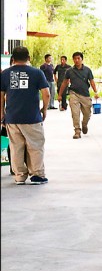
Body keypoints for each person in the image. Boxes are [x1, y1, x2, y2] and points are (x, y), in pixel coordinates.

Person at [0, 46, 50, 185]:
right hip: (32, 117)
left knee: (16, 148)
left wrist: (2, 114)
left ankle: (20, 176)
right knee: (35, 146)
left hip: (12, 118)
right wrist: (44, 109)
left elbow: (1, 96)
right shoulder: (37, 73)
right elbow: (46, 94)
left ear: (13, 59)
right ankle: (37, 175)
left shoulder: (5, 74)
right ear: (28, 58)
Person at [58, 51, 99, 139]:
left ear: (82, 59)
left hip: (85, 95)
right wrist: (60, 94)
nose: (76, 60)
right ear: (73, 60)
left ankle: (84, 124)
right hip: (73, 94)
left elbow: (91, 82)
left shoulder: (87, 70)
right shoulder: (69, 71)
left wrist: (96, 92)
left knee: (87, 114)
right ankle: (77, 131)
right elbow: (64, 83)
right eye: (75, 59)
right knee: (75, 113)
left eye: (78, 58)